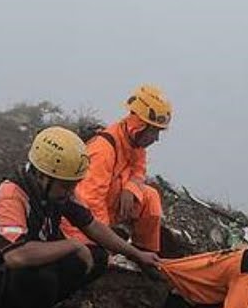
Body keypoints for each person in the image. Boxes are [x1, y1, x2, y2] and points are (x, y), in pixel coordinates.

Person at [0, 126, 161, 308]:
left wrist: (137, 255)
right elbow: (17, 257)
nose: (71, 192)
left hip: (30, 264)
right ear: (43, 176)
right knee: (42, 277)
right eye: (66, 186)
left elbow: (92, 226)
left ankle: (40, 307)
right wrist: (71, 245)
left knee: (97, 258)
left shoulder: (57, 191)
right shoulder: (11, 194)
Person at [63, 84, 171, 254]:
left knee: (150, 198)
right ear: (140, 126)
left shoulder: (135, 144)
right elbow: (89, 202)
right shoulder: (103, 150)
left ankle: (145, 254)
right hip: (79, 223)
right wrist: (107, 240)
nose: (156, 138)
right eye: (154, 131)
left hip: (108, 207)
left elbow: (139, 170)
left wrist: (131, 188)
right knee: (95, 256)